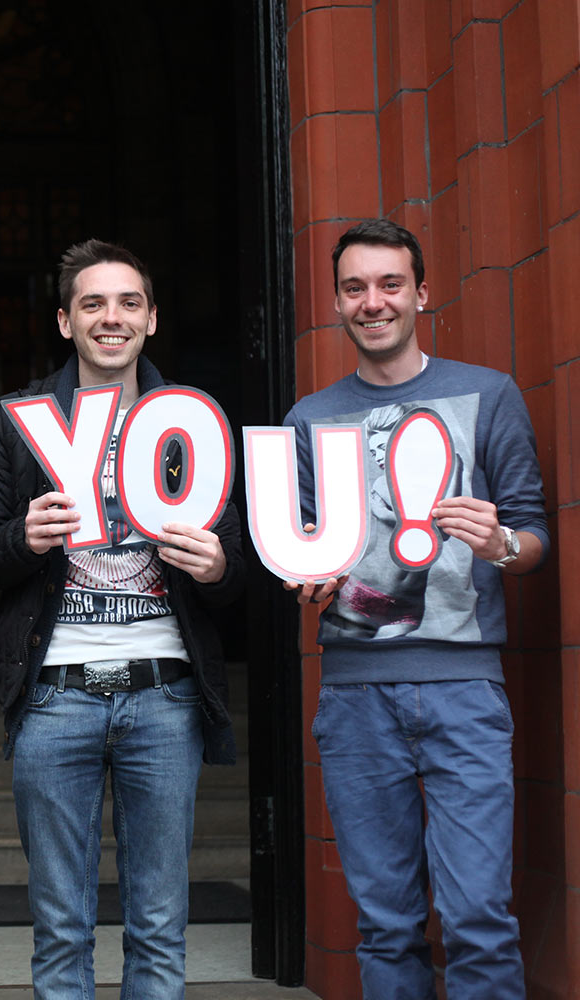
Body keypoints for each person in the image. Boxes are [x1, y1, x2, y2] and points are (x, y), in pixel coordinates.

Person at [0, 240, 243, 999]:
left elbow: (241, 556)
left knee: (158, 925)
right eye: (92, 304)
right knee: (60, 927)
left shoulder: (193, 421)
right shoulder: (18, 420)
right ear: (64, 320)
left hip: (164, 693)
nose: (110, 318)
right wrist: (24, 536)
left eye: (127, 303)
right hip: (55, 694)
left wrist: (218, 566)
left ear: (151, 319)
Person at [285, 219, 548, 998]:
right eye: (356, 287)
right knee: (387, 925)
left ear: (421, 293)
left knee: (478, 918)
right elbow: (299, 549)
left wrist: (500, 542)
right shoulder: (309, 418)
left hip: (465, 688)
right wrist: (305, 579)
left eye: (390, 284)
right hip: (355, 692)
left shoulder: (488, 394)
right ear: (337, 301)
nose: (374, 302)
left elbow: (534, 536)